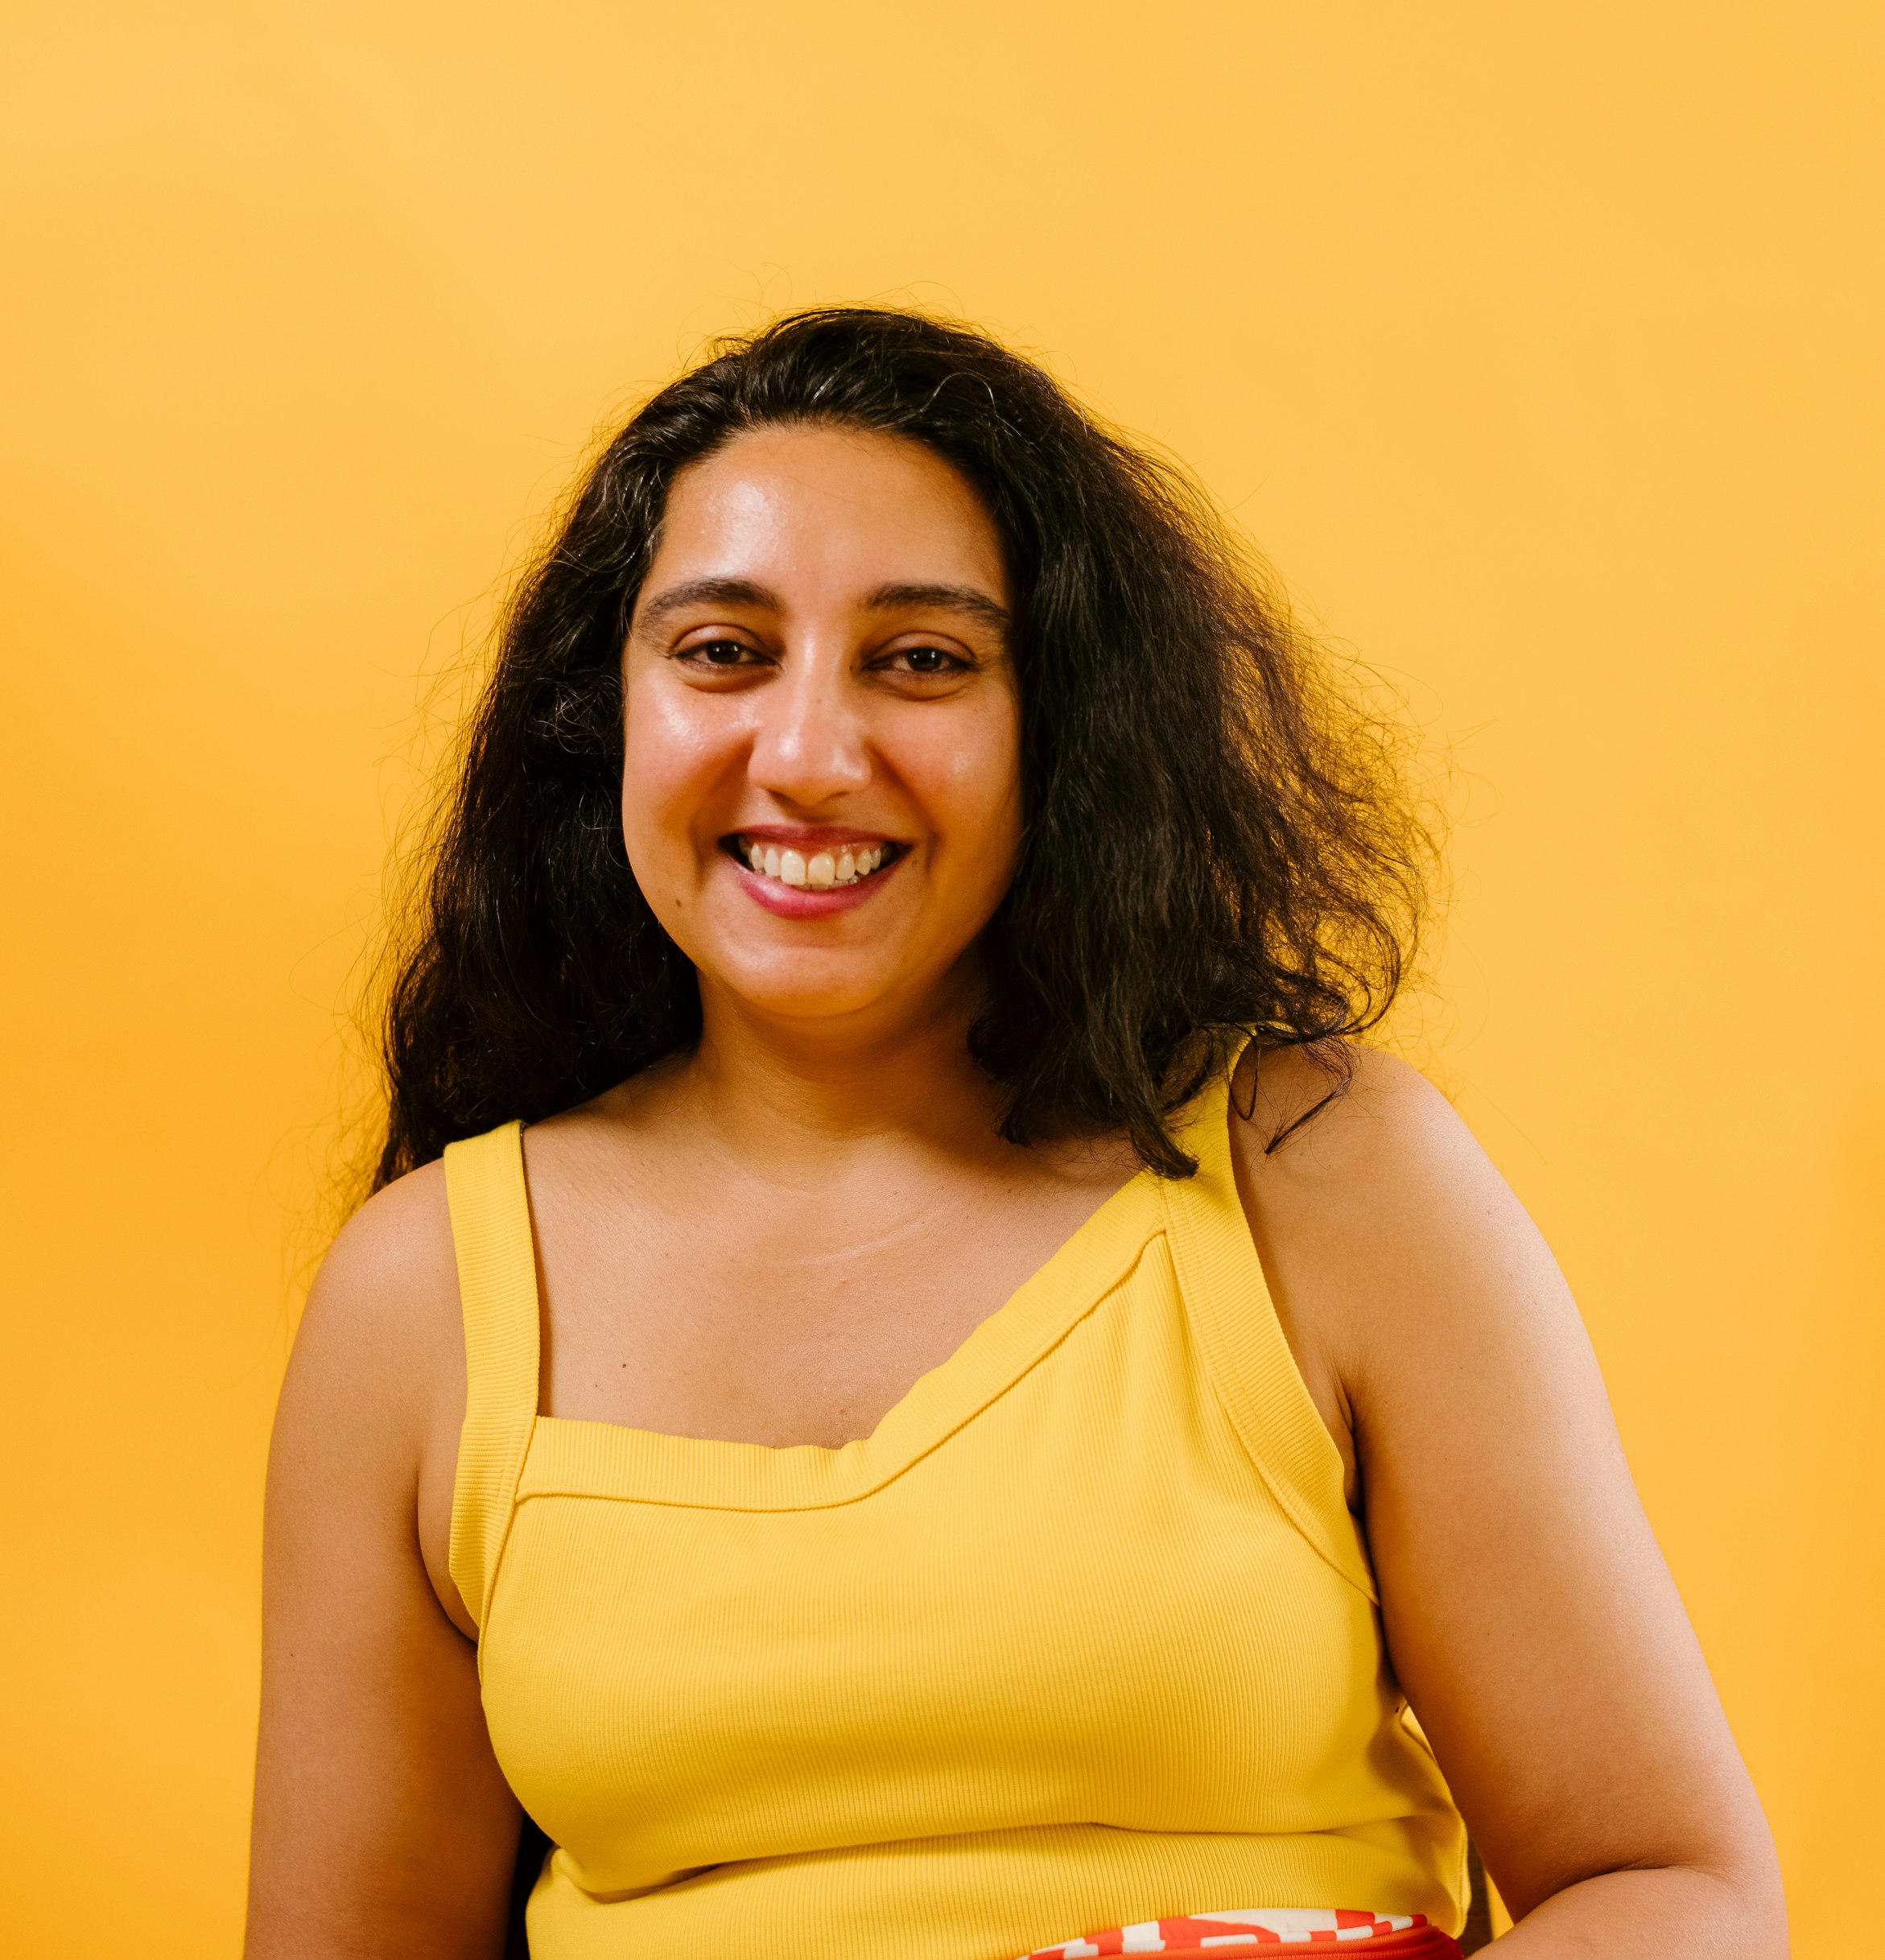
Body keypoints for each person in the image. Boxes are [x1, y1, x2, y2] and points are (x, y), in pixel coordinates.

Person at [245, 309, 1785, 1960]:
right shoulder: (424, 1300)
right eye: (720, 651)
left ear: (1060, 730)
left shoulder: (1319, 1178)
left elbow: (1673, 1890)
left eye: (922, 659)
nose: (811, 755)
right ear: (599, 716)